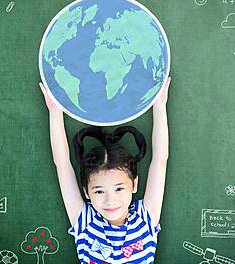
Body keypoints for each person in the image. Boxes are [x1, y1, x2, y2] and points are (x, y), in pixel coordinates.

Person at [39, 76, 171, 264]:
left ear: (134, 184)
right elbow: (62, 165)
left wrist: (159, 105)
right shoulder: (86, 223)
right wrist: (55, 112)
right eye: (99, 191)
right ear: (86, 192)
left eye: (119, 188)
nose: (110, 200)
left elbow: (160, 161)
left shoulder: (145, 219)